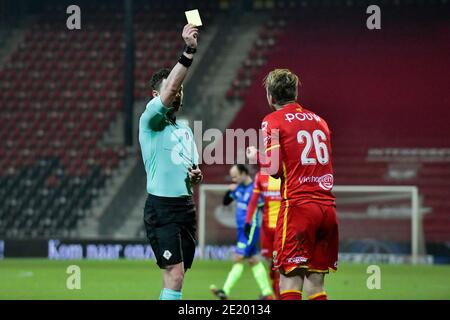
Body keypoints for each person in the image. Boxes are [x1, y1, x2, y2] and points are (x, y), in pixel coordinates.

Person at [257, 68, 338, 300]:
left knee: (290, 279)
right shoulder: (321, 122)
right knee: (316, 284)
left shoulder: (272, 121)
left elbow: (273, 170)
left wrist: (260, 158)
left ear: (271, 97)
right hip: (327, 209)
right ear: (295, 93)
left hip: (298, 207)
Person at [138, 24, 203, 300]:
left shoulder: (185, 130)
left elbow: (193, 172)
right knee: (174, 275)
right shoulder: (150, 121)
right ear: (157, 96)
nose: (177, 92)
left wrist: (196, 176)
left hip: (185, 208)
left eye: (179, 89)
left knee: (178, 277)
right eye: (171, 89)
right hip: (162, 208)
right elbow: (171, 87)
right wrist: (188, 50)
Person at [210, 164, 273, 300]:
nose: (233, 179)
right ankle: (267, 293)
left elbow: (264, 208)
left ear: (244, 173)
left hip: (250, 229)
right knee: (253, 260)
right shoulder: (238, 188)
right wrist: (229, 190)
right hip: (241, 230)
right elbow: (226, 202)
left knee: (238, 258)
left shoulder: (255, 189)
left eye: (235, 176)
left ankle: (225, 291)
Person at [243, 149, 282, 299]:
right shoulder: (260, 176)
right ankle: (273, 294)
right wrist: (248, 221)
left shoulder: (284, 175)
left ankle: (279, 296)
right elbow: (253, 200)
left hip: (282, 229)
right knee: (272, 267)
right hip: (267, 230)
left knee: (280, 267)